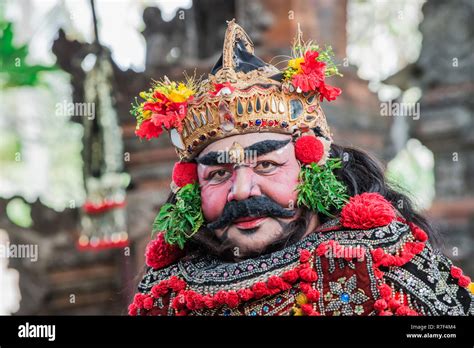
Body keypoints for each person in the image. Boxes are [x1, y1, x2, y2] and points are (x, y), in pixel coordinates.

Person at [128, 20, 473, 316]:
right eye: (218, 174)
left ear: (312, 167)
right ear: (192, 188)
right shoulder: (169, 292)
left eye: (265, 164)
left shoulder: (378, 263)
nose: (243, 190)